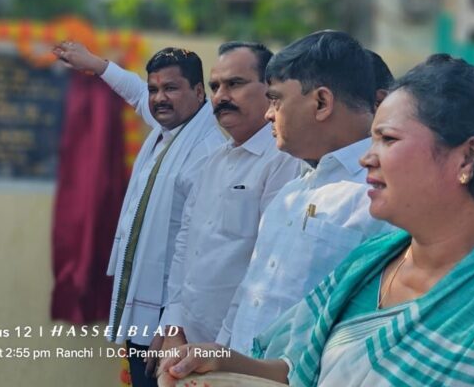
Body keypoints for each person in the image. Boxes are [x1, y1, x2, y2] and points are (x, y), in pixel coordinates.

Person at [158, 54, 474, 387]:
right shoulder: (370, 263)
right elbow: (298, 370)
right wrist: (222, 360)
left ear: (467, 157)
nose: (366, 158)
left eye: (388, 139)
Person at [53, 41, 226, 387]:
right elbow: (134, 92)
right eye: (154, 89)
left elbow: (198, 251)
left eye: (171, 88)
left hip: (173, 318)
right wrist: (96, 64)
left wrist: (173, 324)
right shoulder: (172, 130)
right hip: (148, 303)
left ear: (198, 92)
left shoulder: (208, 151)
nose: (159, 98)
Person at [213, 31, 392, 355]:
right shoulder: (292, 193)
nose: (269, 113)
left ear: (321, 103)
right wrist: (222, 354)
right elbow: (251, 293)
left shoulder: (380, 195)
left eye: (276, 99)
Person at [158, 42, 302, 356]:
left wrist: (220, 349)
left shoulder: (284, 161)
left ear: (270, 90)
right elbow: (185, 244)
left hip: (235, 351)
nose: (221, 97)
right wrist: (173, 326)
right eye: (215, 87)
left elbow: (265, 267)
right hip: (186, 341)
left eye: (235, 84)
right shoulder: (214, 161)